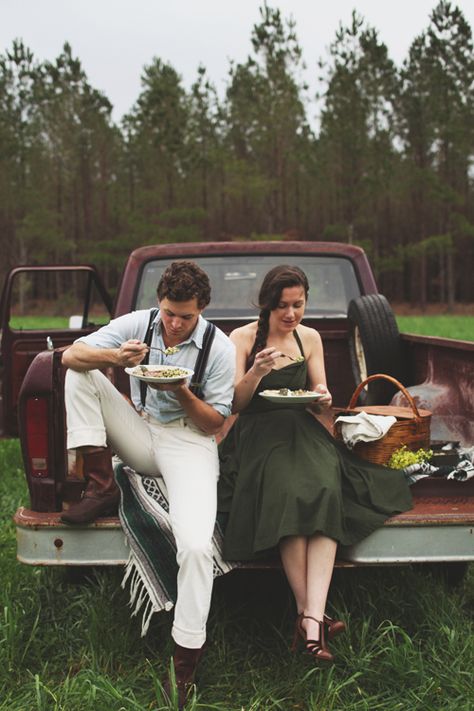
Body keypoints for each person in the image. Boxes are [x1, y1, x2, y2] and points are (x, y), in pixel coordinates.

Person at [61, 260, 235, 705]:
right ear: (159, 304)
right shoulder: (142, 322)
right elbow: (71, 354)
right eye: (169, 314)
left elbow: (215, 421)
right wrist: (115, 358)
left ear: (202, 310)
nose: (175, 325)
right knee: (79, 372)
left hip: (190, 442)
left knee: (195, 546)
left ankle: (185, 658)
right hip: (140, 432)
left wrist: (181, 391)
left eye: (186, 317)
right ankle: (100, 482)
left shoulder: (219, 346)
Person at [217, 265, 412, 662]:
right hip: (258, 434)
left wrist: (322, 398)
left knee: (325, 489)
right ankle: (315, 620)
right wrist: (257, 370)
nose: (291, 314)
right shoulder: (240, 338)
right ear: (267, 305)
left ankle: (308, 621)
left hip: (304, 430)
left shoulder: (310, 337)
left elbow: (319, 392)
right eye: (282, 306)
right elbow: (234, 404)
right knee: (289, 493)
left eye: (298, 305)